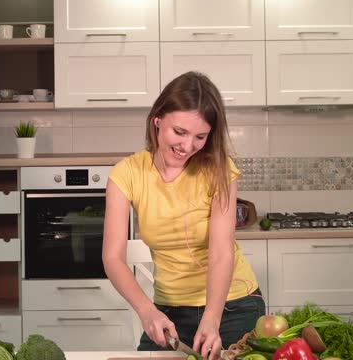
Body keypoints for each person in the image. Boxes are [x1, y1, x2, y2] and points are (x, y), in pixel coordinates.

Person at [102, 71, 265, 360]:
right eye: (179, 132)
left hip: (232, 307)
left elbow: (221, 252)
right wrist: (147, 311)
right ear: (157, 120)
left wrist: (212, 318)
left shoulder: (218, 168)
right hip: (169, 312)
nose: (187, 146)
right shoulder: (126, 174)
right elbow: (113, 258)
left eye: (200, 137)